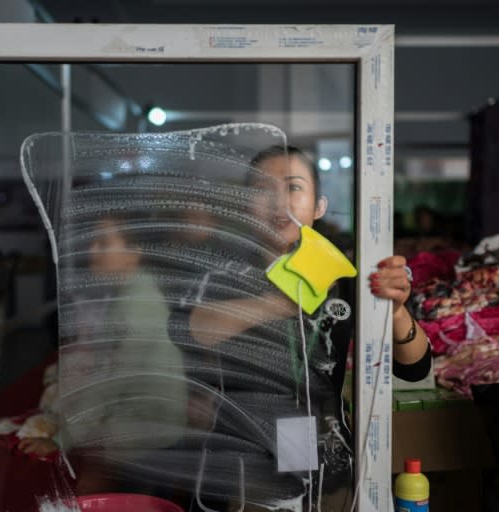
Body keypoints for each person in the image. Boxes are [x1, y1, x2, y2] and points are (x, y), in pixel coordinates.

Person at [171, 145, 431, 509]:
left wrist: (397, 310)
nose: (279, 203)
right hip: (244, 467)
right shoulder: (220, 277)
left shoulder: (345, 276)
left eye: (293, 188)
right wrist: (280, 303)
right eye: (263, 190)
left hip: (329, 469)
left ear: (319, 205)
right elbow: (188, 332)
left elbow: (415, 367)